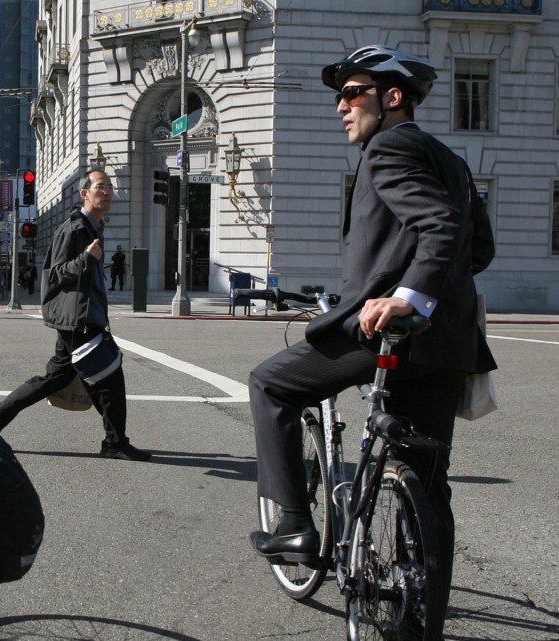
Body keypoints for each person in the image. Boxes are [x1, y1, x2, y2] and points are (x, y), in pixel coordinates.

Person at [247, 46, 496, 640]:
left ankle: (296, 525)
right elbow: (474, 248)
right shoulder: (453, 161)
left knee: (270, 384)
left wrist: (405, 296)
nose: (341, 105)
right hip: (445, 348)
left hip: (385, 332)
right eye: (339, 95)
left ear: (392, 98)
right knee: (428, 486)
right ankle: (418, 620)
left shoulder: (388, 147)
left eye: (353, 92)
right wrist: (426, 292)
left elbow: (439, 226)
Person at [0, 169, 151, 462]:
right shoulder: (73, 229)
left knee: (54, 378)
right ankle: (115, 442)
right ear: (85, 193)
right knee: (109, 380)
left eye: (110, 187)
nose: (107, 192)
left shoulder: (95, 227)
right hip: (78, 320)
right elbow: (53, 274)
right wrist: (85, 259)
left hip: (84, 317)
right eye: (101, 187)